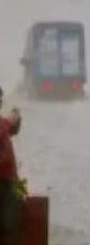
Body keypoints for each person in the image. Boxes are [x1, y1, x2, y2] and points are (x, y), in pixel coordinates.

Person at [0, 86, 22, 245]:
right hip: (5, 183)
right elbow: (8, 126)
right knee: (8, 224)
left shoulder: (4, 124)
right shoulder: (2, 125)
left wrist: (16, 118)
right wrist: (12, 119)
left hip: (10, 180)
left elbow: (13, 128)